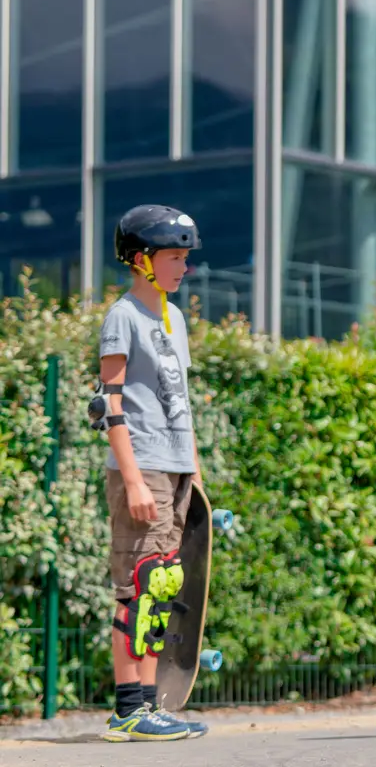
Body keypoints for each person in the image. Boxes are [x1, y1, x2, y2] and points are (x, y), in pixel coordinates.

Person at [99, 205, 208, 741]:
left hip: (176, 467)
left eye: (185, 258)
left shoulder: (175, 318)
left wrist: (195, 469)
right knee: (138, 588)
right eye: (174, 257)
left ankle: (148, 706)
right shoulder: (123, 316)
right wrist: (135, 478)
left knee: (161, 586)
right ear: (142, 260)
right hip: (142, 466)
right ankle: (128, 711)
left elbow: (180, 401)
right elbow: (108, 404)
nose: (183, 268)